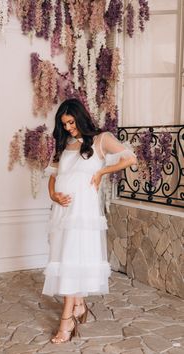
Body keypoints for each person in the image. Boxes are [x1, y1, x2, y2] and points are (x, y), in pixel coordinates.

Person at [42, 98, 137, 344]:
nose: (68, 128)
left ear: (80, 117)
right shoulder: (65, 144)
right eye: (64, 124)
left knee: (73, 259)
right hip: (63, 212)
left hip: (83, 213)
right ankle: (80, 306)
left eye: (71, 122)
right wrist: (53, 194)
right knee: (66, 258)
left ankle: (67, 320)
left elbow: (131, 157)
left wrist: (101, 172)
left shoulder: (101, 139)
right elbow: (53, 175)